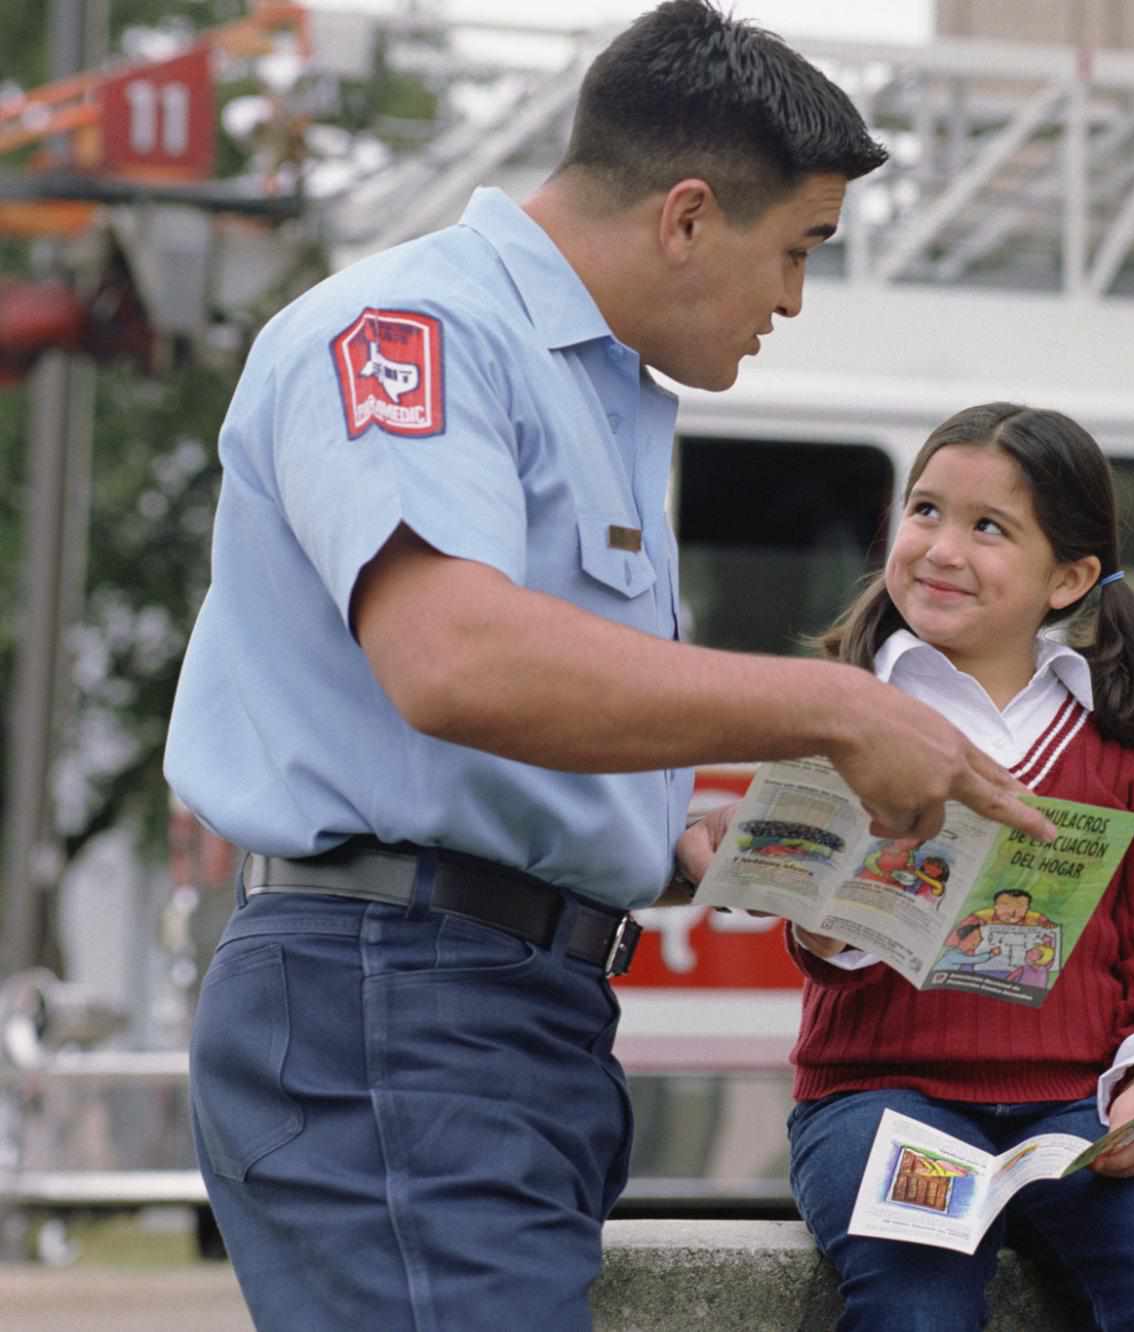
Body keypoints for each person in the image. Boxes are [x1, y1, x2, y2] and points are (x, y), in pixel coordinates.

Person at [162, 7, 1055, 1329]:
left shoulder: (593, 388)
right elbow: (452, 660)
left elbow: (499, 722)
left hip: (491, 1004)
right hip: (398, 998)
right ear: (689, 215)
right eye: (794, 251)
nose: (793, 301)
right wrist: (835, 705)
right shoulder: (416, 329)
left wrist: (671, 837)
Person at [679, 403, 1134, 1331]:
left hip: (1077, 1112)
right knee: (916, 1311)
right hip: (878, 1102)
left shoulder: (1121, 745)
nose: (942, 548)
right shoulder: (844, 712)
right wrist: (825, 919)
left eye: (989, 528)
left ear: (1067, 577)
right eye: (924, 511)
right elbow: (821, 944)